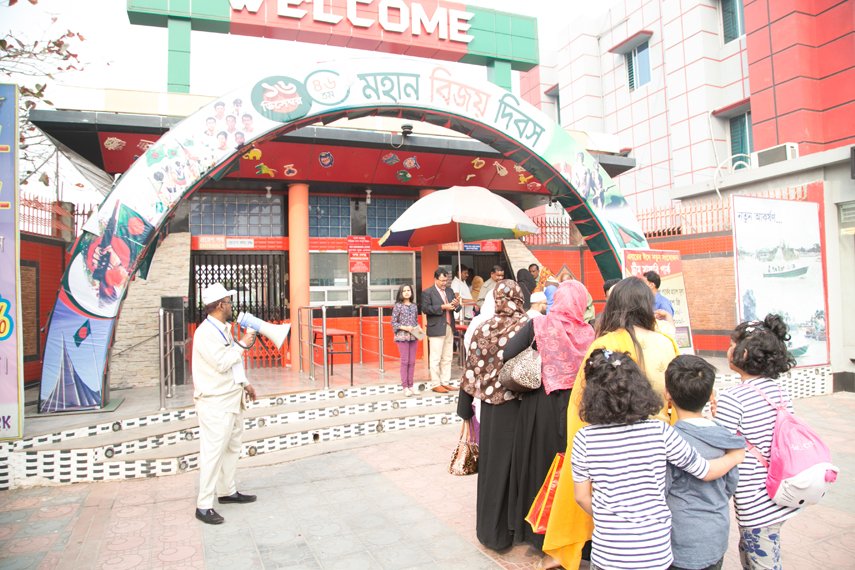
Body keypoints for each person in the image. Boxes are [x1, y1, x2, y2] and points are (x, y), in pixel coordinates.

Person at [542, 277, 682, 569]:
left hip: (610, 442)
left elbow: (581, 401)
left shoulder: (605, 344)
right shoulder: (666, 343)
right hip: (658, 441)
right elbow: (677, 396)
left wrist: (579, 442)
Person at [571, 349, 745, 570]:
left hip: (609, 554)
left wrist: (612, 519)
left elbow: (582, 497)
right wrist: (735, 456)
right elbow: (705, 471)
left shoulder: (584, 439)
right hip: (655, 553)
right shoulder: (659, 431)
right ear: (639, 388)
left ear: (591, 396)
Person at [503, 280, 595, 552]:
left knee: (538, 465)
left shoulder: (539, 325)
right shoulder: (589, 332)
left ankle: (537, 534)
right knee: (572, 470)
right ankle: (570, 535)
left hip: (540, 404)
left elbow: (508, 352)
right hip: (577, 407)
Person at [714, 314, 800, 570]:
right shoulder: (780, 391)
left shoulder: (732, 397)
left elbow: (720, 443)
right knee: (757, 554)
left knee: (763, 562)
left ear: (744, 353)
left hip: (755, 500)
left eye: (732, 345)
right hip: (780, 490)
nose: (728, 350)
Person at [457, 280, 529, 550]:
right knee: (515, 468)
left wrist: (464, 410)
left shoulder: (483, 328)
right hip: (519, 407)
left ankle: (489, 530)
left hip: (489, 409)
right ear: (519, 299)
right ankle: (512, 529)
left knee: (491, 467)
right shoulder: (526, 326)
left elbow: (470, 372)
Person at [665, 355, 744, 570]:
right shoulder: (725, 438)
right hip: (715, 537)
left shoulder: (670, 442)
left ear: (667, 394)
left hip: (679, 542)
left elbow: (660, 492)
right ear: (711, 395)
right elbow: (730, 485)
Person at [192, 283, 258, 525]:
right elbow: (221, 362)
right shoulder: (205, 333)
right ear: (221, 305)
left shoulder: (223, 329)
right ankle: (203, 505)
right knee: (213, 453)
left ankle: (227, 491)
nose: (232, 306)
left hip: (231, 398)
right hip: (215, 403)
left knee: (231, 448)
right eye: (229, 302)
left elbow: (233, 364)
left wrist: (245, 383)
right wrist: (242, 344)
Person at [421, 268, 461, 393]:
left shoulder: (449, 291)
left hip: (449, 327)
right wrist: (443, 307)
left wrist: (456, 304)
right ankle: (435, 384)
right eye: (442, 280)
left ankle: (445, 382)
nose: (444, 283)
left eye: (446, 280)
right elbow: (425, 309)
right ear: (435, 279)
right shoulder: (428, 292)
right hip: (436, 327)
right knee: (435, 358)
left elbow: (457, 308)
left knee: (447, 357)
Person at [390, 284, 420, 397]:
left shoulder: (414, 306)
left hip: (413, 336)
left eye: (408, 290)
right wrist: (405, 328)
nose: (407, 292)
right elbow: (394, 323)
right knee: (405, 361)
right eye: (404, 291)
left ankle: (411, 386)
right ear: (401, 293)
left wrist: (419, 330)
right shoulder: (398, 306)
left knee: (412, 362)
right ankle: (405, 387)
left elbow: (415, 321)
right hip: (402, 336)